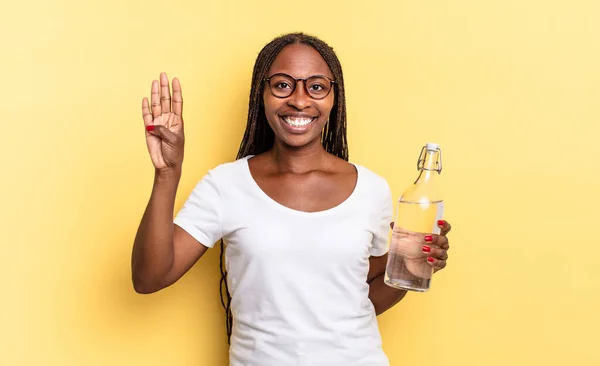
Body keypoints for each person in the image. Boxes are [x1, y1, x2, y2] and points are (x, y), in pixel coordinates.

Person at [131, 32, 451, 366]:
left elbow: (355, 300)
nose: (299, 100)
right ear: (262, 94)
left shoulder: (371, 189)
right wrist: (167, 173)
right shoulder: (226, 185)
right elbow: (149, 278)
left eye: (316, 86)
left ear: (333, 98)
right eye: (283, 85)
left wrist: (409, 268)